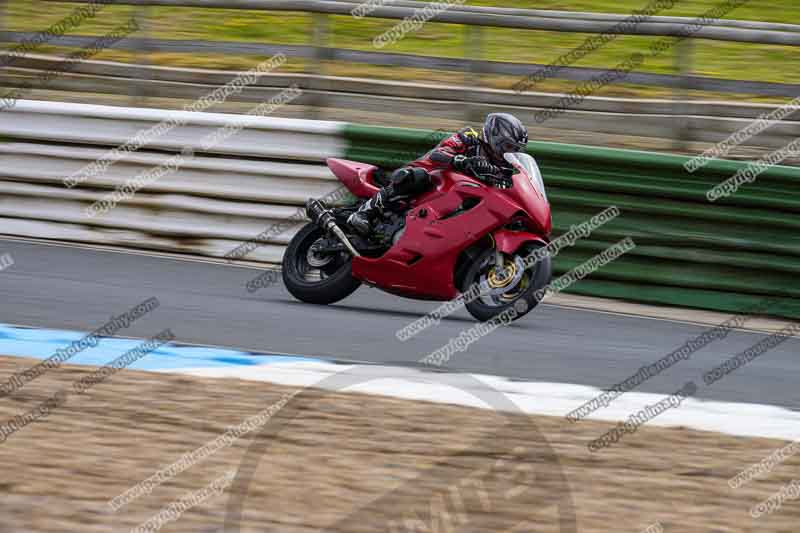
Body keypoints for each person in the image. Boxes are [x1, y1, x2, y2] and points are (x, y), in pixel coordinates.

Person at [347, 113, 529, 236]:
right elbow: (438, 153)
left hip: (456, 199)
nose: (509, 153)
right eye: (507, 147)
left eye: (514, 150)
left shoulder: (502, 166)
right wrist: (461, 161)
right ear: (494, 137)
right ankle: (364, 213)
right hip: (431, 177)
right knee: (419, 177)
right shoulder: (470, 137)